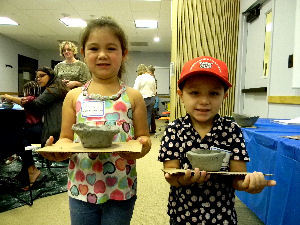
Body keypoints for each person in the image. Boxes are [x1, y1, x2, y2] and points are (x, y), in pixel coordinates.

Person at [40, 17, 151, 225]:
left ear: (123, 53)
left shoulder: (133, 97)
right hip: (81, 186)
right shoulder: (73, 97)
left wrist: (141, 147)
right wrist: (57, 152)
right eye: (94, 48)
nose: (102, 55)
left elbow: (143, 137)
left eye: (111, 48)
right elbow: (66, 138)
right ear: (83, 52)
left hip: (121, 186)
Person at [158, 56, 276, 225]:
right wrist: (183, 179)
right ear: (181, 95)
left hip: (222, 216)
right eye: (194, 92)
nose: (204, 101)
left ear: (224, 95)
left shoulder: (232, 130)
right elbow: (170, 173)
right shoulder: (174, 130)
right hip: (183, 214)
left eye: (214, 93)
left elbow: (238, 177)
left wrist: (250, 184)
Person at [1, 81, 43, 189]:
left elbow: (22, 101)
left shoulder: (32, 99)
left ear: (28, 91)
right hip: (34, 132)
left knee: (23, 147)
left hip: (36, 137)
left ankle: (32, 170)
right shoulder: (39, 98)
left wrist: (7, 96)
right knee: (22, 145)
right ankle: (26, 172)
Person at [22, 67, 69, 147]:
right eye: (37, 77)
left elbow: (35, 104)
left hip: (55, 127)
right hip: (58, 125)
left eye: (42, 76)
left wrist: (11, 98)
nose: (38, 79)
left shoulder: (53, 89)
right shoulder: (57, 86)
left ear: (50, 75)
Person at [133, 64, 156, 131]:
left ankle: (139, 131)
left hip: (143, 99)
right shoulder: (152, 77)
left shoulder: (139, 78)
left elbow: (135, 90)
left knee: (139, 116)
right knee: (148, 116)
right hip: (152, 99)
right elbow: (154, 90)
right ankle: (146, 131)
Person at [147, 65, 158, 133]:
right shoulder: (154, 78)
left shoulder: (150, 78)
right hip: (153, 97)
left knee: (148, 115)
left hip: (149, 97)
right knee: (151, 114)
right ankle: (153, 129)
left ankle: (147, 130)